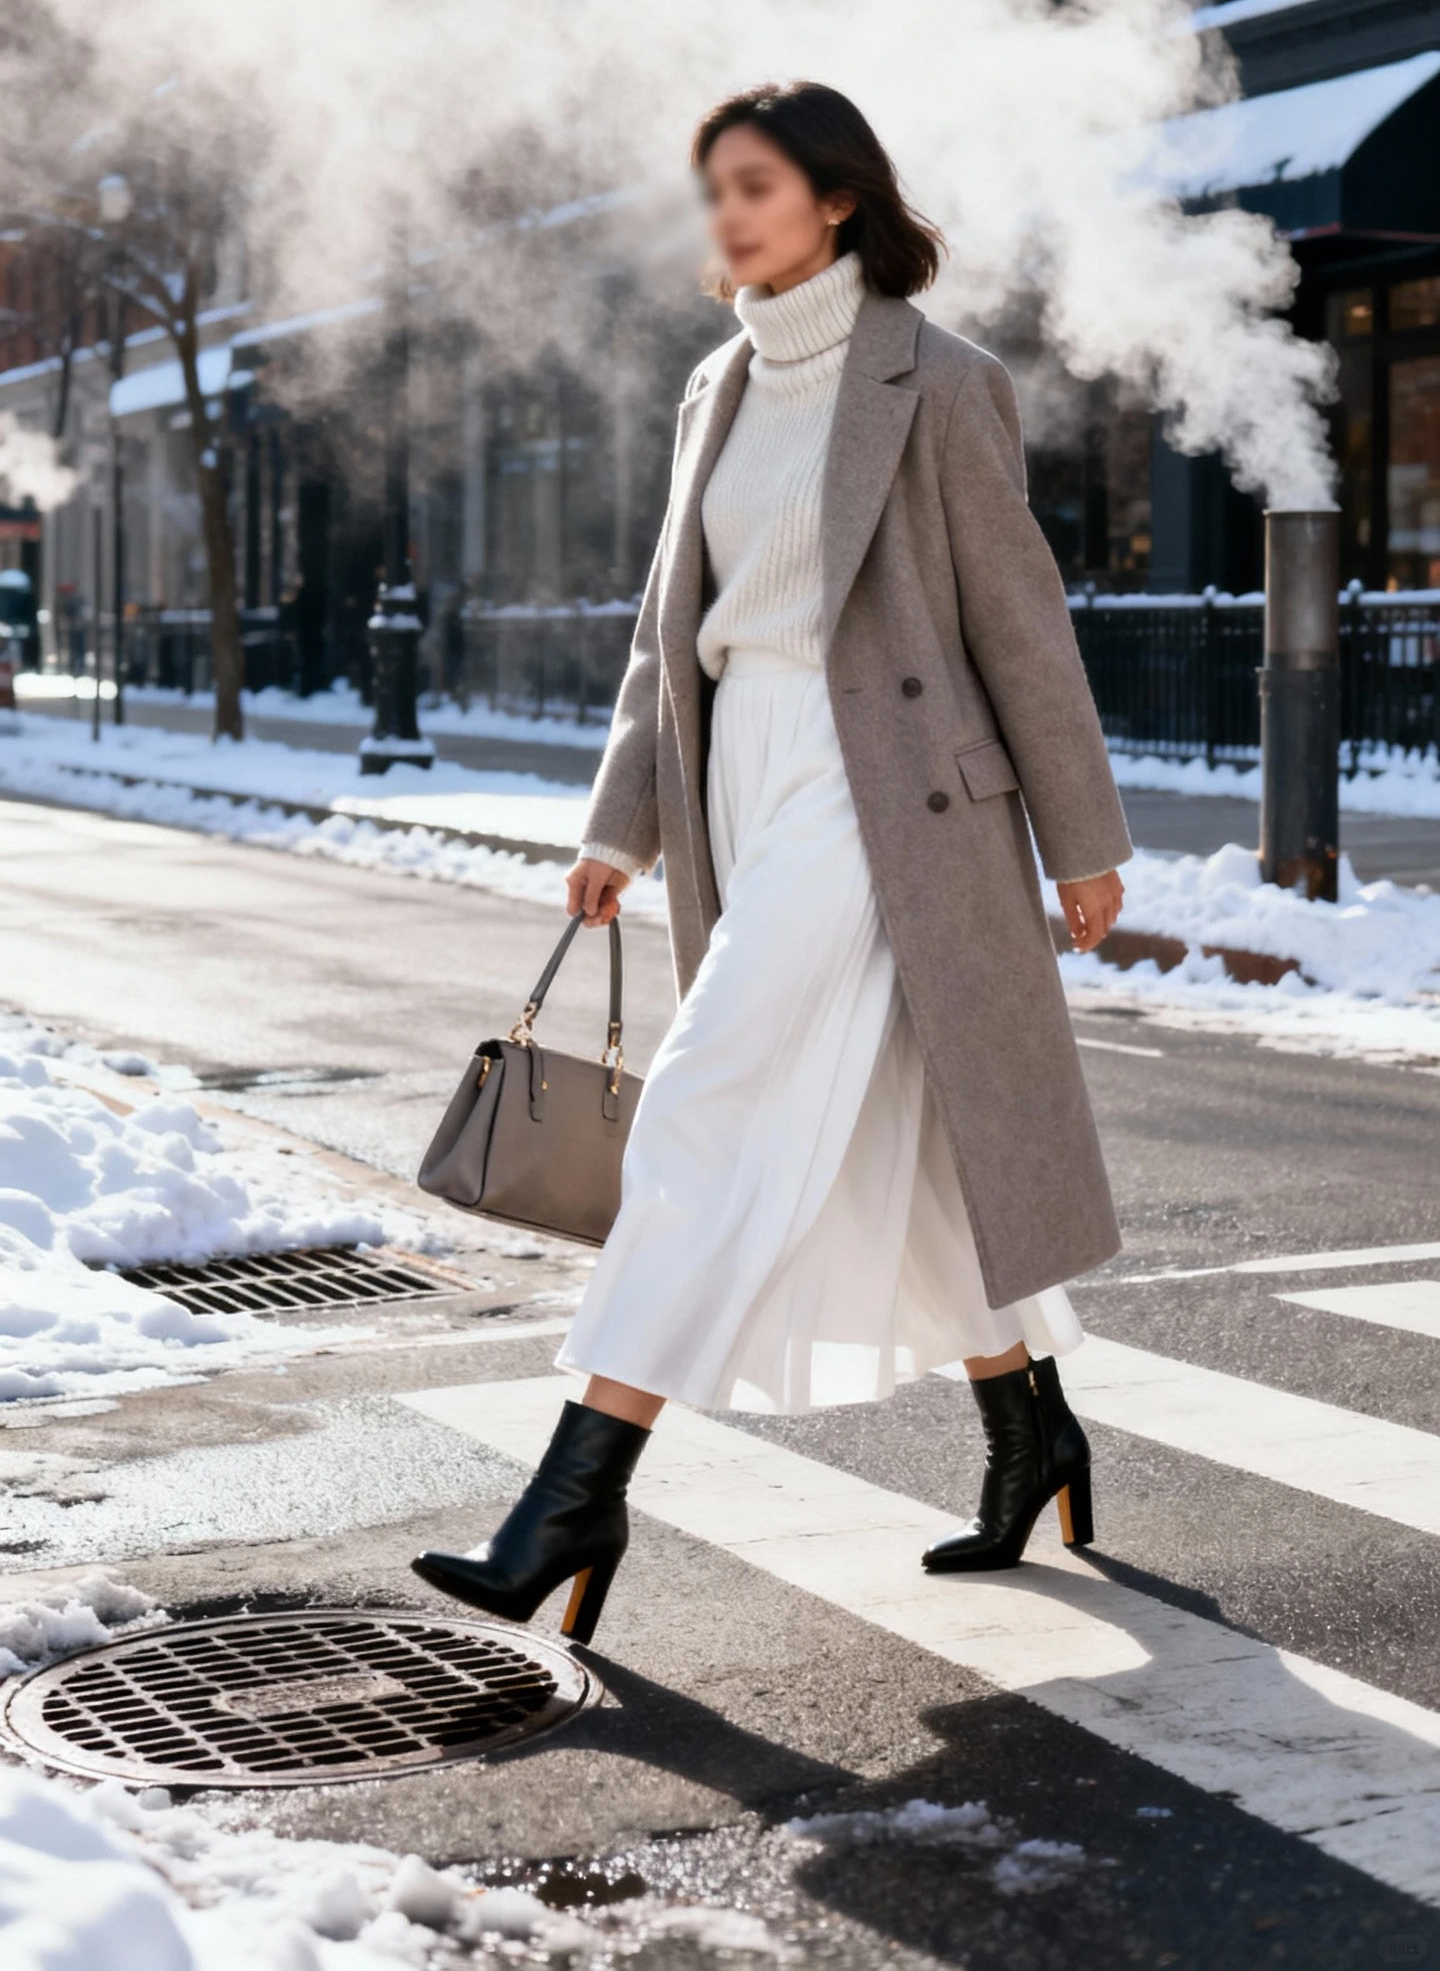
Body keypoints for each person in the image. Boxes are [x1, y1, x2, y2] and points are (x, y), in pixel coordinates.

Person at [413, 81, 1132, 1645]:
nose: (726, 216)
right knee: (913, 1131)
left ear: (838, 201)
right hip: (745, 773)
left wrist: (1084, 840)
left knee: (709, 1096)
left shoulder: (941, 384)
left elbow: (1025, 624)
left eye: (754, 187)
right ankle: (1036, 1430)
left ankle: (575, 1495)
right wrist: (622, 822)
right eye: (711, 192)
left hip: (890, 800)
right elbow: (669, 637)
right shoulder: (714, 390)